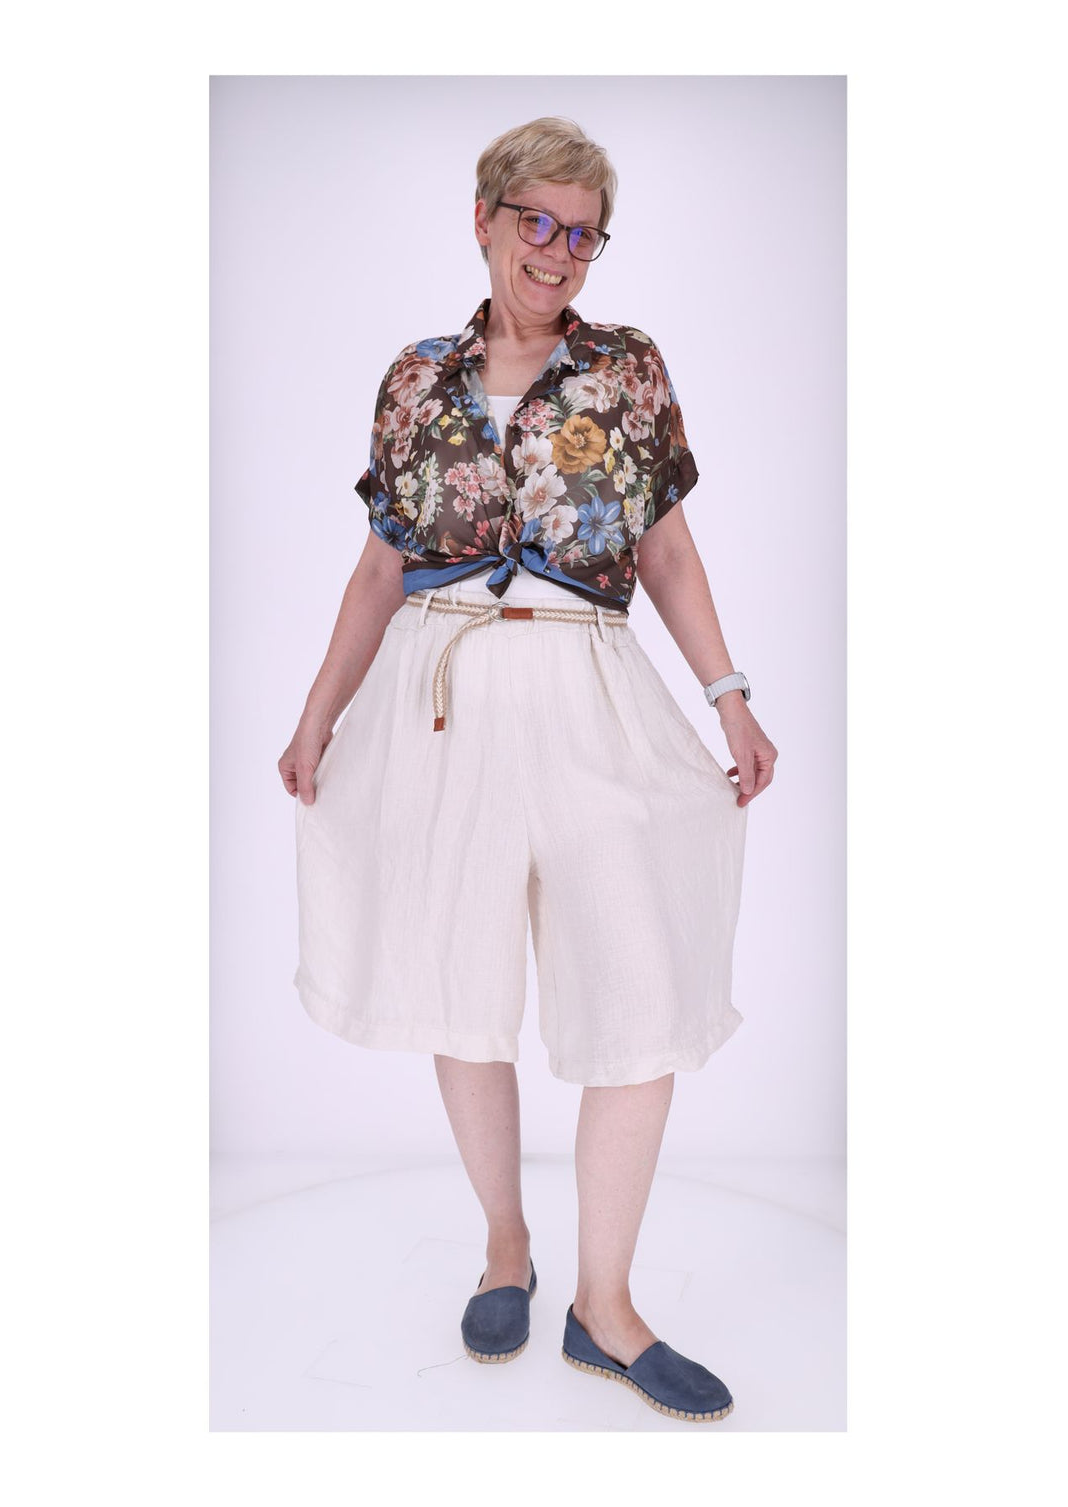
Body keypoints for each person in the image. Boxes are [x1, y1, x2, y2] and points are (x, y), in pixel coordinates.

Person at [279, 116, 777, 1423]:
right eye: (536, 222)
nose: (557, 251)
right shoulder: (415, 380)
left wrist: (728, 697)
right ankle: (507, 1245)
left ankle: (605, 1307)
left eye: (582, 232)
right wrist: (319, 713)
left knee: (637, 983)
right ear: (486, 220)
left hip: (588, 687)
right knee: (461, 987)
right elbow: (380, 565)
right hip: (440, 696)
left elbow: (666, 549)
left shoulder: (627, 369)